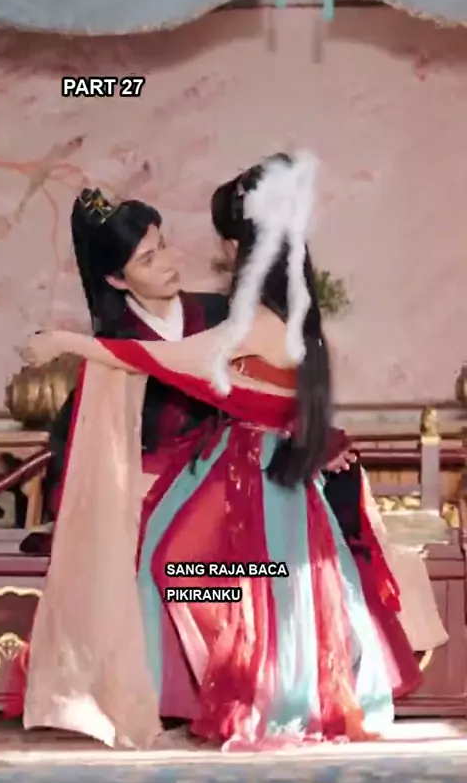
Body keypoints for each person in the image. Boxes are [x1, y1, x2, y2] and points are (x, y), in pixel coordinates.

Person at [21, 152, 424, 750]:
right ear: (117, 280)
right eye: (148, 256)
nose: (173, 260)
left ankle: (252, 683)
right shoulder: (270, 314)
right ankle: (227, 681)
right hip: (216, 474)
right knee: (211, 575)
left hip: (250, 475)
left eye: (164, 245)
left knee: (217, 577)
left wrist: (63, 340)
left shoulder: (233, 317)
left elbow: (180, 366)